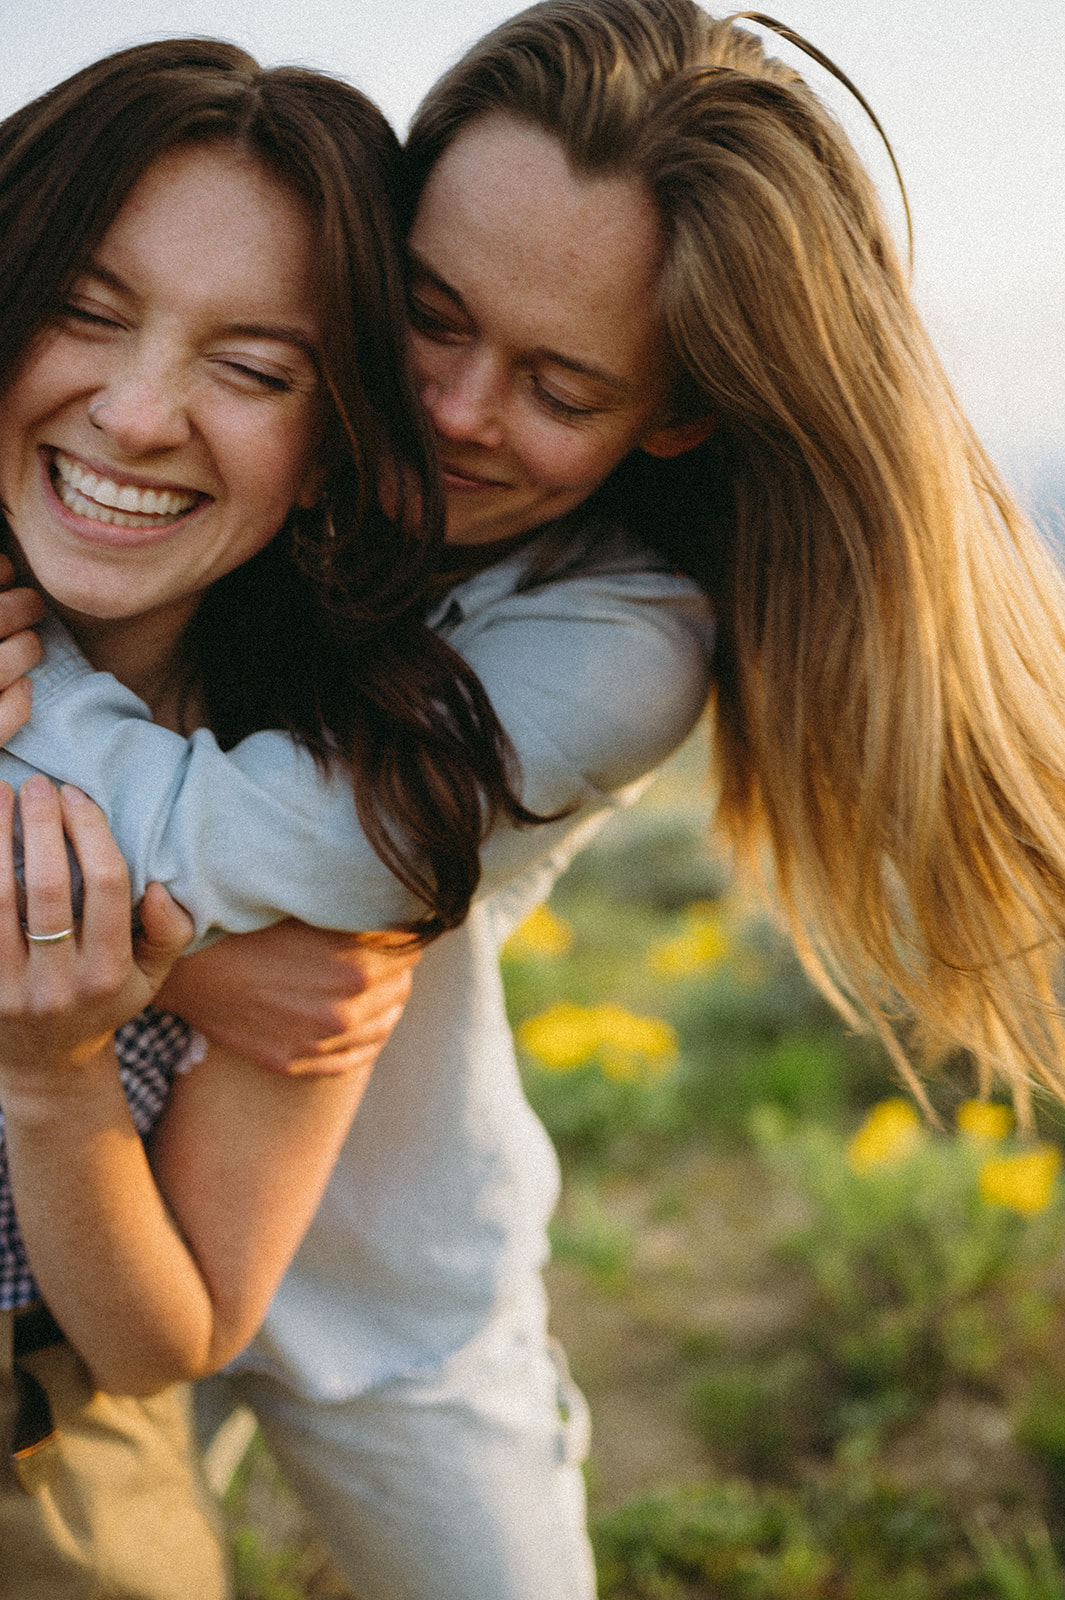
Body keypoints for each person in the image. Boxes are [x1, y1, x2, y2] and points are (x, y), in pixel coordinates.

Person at [6, 2, 1065, 1595]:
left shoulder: (620, 641)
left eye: (560, 389)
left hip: (370, 1231)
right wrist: (187, 985)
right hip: (113, 1171)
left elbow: (240, 850)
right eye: (426, 316)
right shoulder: (235, 472)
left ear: (674, 415)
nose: (449, 410)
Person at [0, 38, 654, 1596]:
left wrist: (55, 1070)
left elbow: (172, 1331)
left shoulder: (341, 789)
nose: (144, 410)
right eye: (89, 310)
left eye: (258, 367)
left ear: (332, 445)